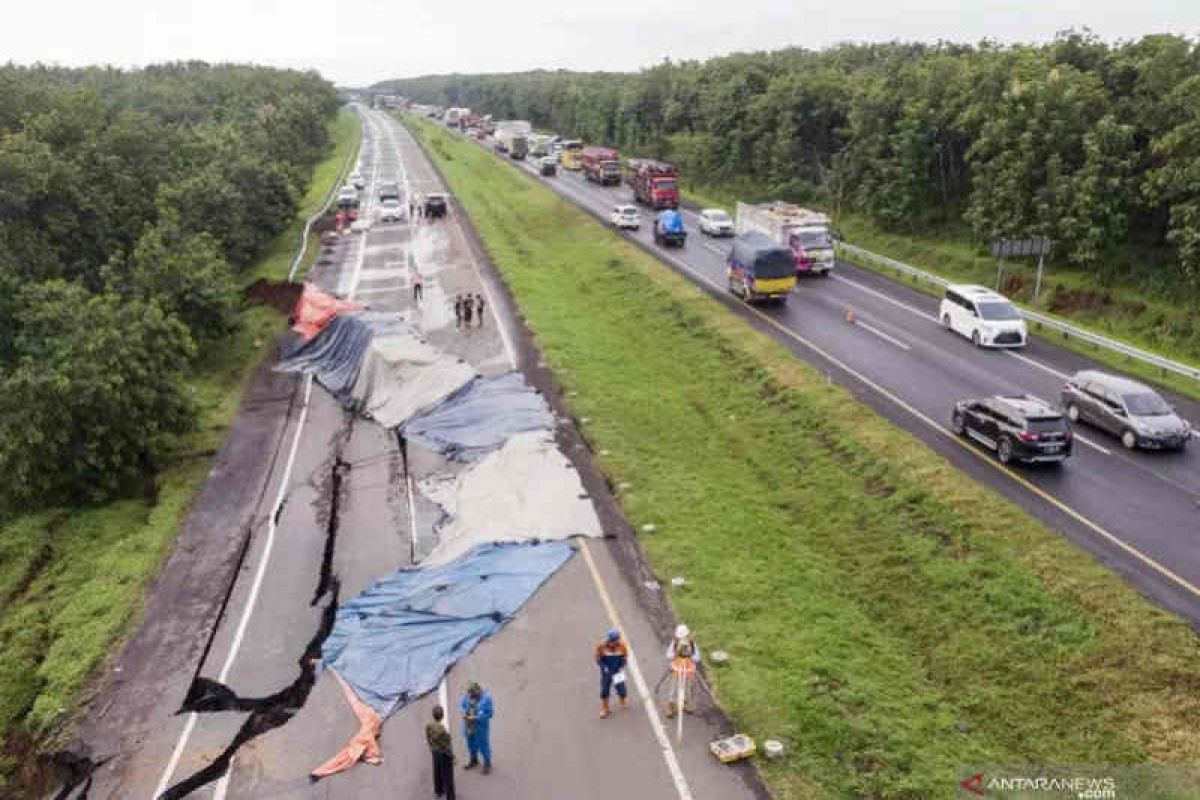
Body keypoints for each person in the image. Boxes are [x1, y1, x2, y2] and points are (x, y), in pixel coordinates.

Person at [664, 624, 700, 718]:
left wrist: (690, 654)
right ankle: (671, 705)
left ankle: (686, 703)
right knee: (673, 688)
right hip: (676, 670)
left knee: (688, 689)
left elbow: (697, 658)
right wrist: (676, 653)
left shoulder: (691, 643)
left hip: (688, 671)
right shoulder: (675, 642)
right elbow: (668, 655)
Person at [460, 682, 494, 774]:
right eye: (469, 694)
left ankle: (487, 763)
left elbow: (490, 714)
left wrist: (476, 717)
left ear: (477, 692)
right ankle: (474, 759)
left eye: (472, 695)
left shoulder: (486, 699)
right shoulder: (467, 695)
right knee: (470, 745)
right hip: (468, 726)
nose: (470, 697)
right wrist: (463, 712)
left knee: (483, 746)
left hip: (480, 728)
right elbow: (462, 705)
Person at [595, 628, 629, 718]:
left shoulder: (622, 647)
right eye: (610, 641)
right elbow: (598, 659)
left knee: (622, 689)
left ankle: (622, 700)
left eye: (614, 641)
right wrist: (604, 667)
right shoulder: (601, 647)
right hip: (606, 673)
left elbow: (624, 658)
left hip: (617, 672)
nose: (611, 643)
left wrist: (622, 666)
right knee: (604, 691)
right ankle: (605, 708)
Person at [426, 705, 456, 799]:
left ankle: (438, 790)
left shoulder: (429, 725)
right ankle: (450, 797)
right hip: (444, 754)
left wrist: (431, 747)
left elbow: (428, 737)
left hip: (435, 751)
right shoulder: (442, 731)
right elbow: (447, 746)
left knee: (437, 771)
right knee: (448, 776)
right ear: (442, 716)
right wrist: (453, 756)